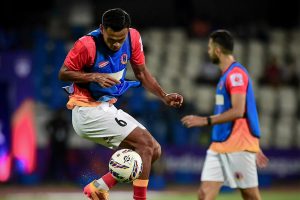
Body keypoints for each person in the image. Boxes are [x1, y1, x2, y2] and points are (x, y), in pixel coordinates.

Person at [58, 8, 183, 200]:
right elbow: (64, 73)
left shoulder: (133, 38)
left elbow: (142, 73)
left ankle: (99, 187)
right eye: (111, 38)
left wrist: (163, 95)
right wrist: (93, 76)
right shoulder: (87, 45)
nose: (116, 43)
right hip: (87, 110)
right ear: (102, 29)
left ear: (128, 31)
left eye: (121, 38)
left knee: (153, 150)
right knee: (146, 145)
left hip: (105, 107)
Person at [181, 30, 269, 200]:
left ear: (218, 50)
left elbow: (238, 111)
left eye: (209, 47)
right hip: (219, 145)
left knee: (250, 195)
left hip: (238, 144)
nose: (208, 51)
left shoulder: (236, 75)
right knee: (204, 194)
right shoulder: (225, 75)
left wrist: (204, 120)